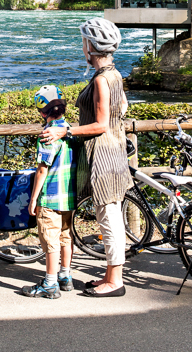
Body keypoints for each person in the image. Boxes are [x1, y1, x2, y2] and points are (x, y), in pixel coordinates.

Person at [40, 17, 132, 298]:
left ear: (92, 46)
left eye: (84, 41)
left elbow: (101, 124)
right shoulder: (114, 75)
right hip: (113, 152)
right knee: (110, 215)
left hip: (104, 157)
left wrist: (65, 130)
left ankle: (115, 281)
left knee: (109, 218)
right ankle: (109, 274)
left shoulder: (103, 80)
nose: (83, 46)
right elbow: (122, 110)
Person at [17, 84, 75, 299]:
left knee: (50, 240)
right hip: (69, 195)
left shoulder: (48, 134)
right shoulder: (69, 130)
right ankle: (65, 276)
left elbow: (42, 169)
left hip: (50, 196)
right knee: (65, 237)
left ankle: (50, 284)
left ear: (43, 112)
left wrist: (33, 199)